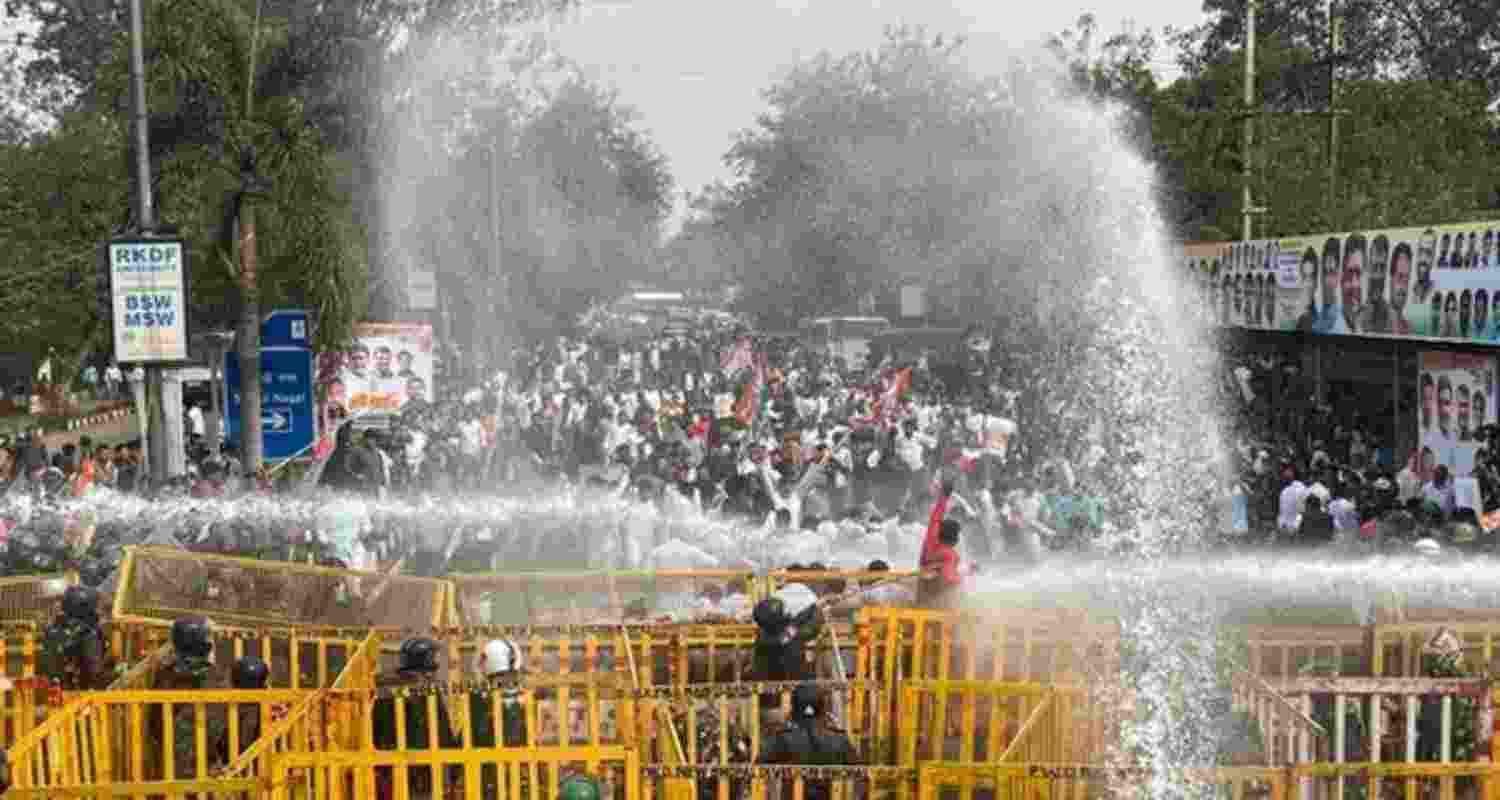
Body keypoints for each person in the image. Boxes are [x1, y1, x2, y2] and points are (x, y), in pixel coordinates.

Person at [373, 637, 458, 800]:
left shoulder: (383, 687)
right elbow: (442, 730)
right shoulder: (426, 689)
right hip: (421, 771)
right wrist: (454, 767)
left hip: (388, 769)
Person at [759, 684, 859, 800]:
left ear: (794, 707)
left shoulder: (783, 739)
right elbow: (859, 772)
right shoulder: (839, 739)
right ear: (822, 707)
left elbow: (758, 768)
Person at [39, 585, 109, 690]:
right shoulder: (89, 629)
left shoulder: (57, 626)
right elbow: (94, 663)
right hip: (79, 682)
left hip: (64, 681)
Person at [917, 479, 964, 608]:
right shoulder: (949, 554)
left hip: (921, 598)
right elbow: (949, 578)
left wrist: (944, 497)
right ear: (956, 538)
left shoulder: (930, 542)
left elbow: (935, 518)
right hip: (940, 606)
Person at [1389, 241, 1414, 334]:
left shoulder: (1408, 328)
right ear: (1391, 279)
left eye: (1406, 279)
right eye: (1399, 277)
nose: (1403, 287)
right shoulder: (1378, 321)